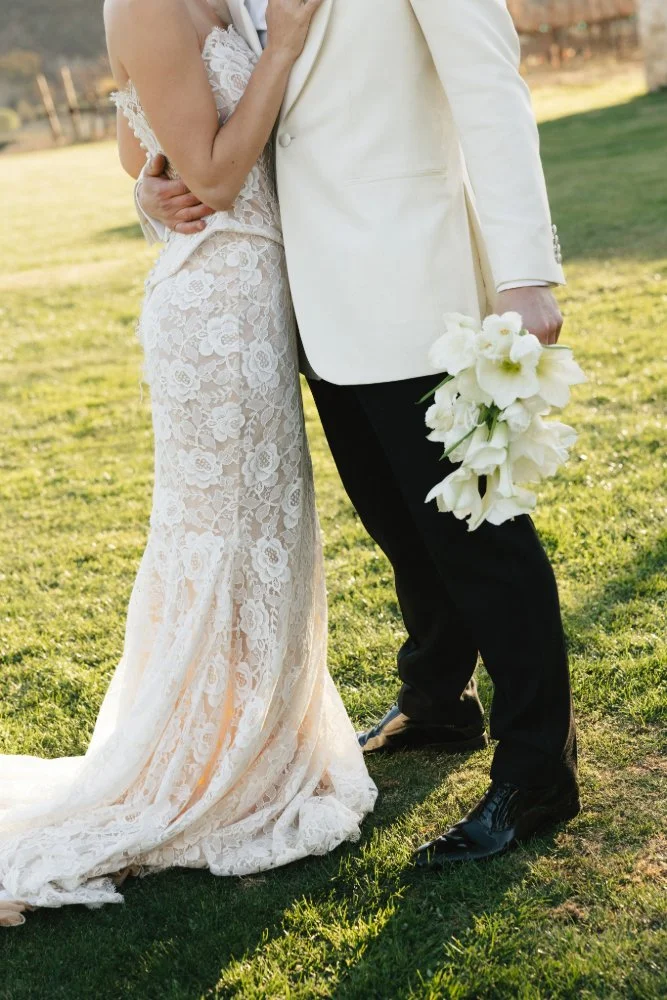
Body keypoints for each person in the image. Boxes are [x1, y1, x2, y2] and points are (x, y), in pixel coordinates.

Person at [137, 0, 581, 868]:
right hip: (307, 297)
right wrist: (148, 182)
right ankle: (436, 698)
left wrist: (526, 275)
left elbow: (491, 88)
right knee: (394, 522)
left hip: (418, 283)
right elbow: (231, 116)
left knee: (476, 534)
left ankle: (536, 768)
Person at [0, 0, 377, 928]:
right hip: (214, 310)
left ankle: (244, 747)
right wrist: (280, 47)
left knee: (268, 532)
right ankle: (208, 765)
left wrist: (149, 185)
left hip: (262, 289)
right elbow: (201, 165)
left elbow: (143, 151)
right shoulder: (142, 5)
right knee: (219, 535)